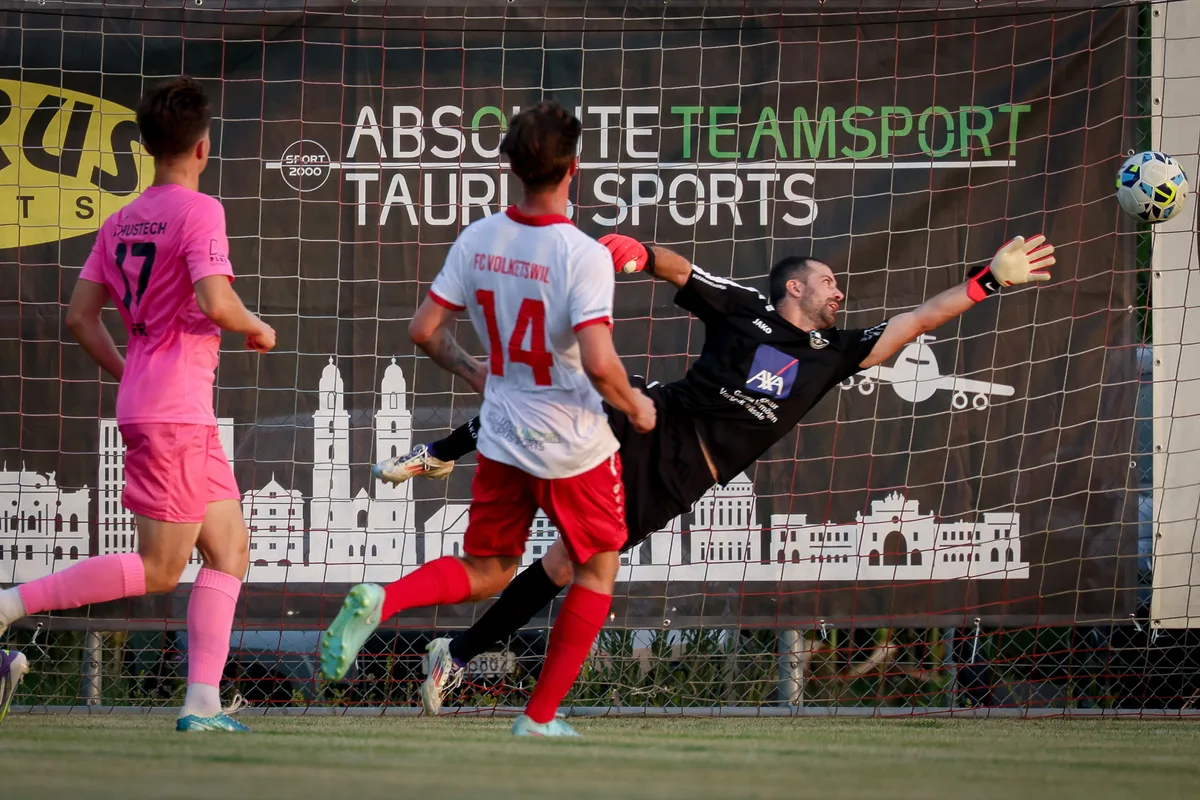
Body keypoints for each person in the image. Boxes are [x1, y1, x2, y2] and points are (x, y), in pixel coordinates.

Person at [376, 231, 1056, 715]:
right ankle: (439, 450)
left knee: (563, 568)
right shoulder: (747, 310)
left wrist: (989, 280)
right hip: (657, 420)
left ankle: (456, 654)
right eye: (828, 282)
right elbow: (682, 271)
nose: (839, 292)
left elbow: (916, 320)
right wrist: (639, 253)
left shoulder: (835, 351)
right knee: (577, 390)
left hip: (682, 480)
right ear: (795, 287)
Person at [317, 101, 656, 738]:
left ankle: (385, 599)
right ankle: (539, 718)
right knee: (599, 561)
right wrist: (638, 406)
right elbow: (604, 365)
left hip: (501, 435)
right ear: (573, 169)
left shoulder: (480, 238)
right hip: (572, 443)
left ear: (511, 167)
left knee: (489, 569)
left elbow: (423, 331)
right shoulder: (581, 253)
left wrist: (477, 373)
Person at [0, 77, 276, 732]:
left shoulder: (121, 219)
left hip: (166, 404)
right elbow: (215, 301)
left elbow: (78, 318)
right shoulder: (201, 210)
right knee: (160, 568)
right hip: (175, 409)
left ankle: (202, 704)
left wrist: (133, 374)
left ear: (148, 147)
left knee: (230, 547)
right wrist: (256, 325)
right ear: (203, 148)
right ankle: (9, 603)